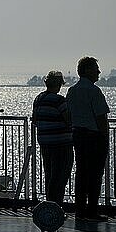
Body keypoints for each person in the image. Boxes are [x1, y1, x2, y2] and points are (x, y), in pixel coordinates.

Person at [66, 57, 110, 221]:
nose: (99, 72)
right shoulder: (94, 91)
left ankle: (79, 210)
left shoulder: (72, 91)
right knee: (95, 174)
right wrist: (105, 138)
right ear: (87, 70)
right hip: (94, 136)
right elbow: (101, 117)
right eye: (96, 68)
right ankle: (92, 210)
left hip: (78, 135)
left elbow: (69, 114)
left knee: (81, 173)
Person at [31, 71, 74, 206]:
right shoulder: (59, 100)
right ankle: (56, 206)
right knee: (61, 175)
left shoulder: (38, 99)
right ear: (59, 84)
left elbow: (35, 121)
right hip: (61, 143)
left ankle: (49, 205)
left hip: (45, 142)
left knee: (49, 175)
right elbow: (69, 120)